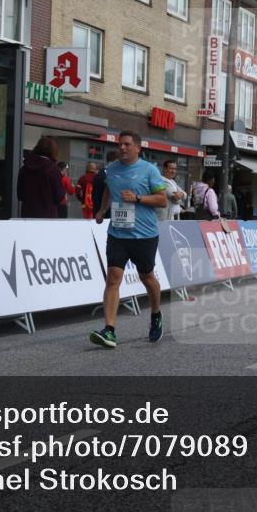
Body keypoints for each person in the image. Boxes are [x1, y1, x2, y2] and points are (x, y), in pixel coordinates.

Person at [90, 131, 168, 349]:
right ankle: (110, 330)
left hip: (144, 235)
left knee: (147, 278)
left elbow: (162, 200)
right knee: (113, 278)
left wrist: (138, 198)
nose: (122, 148)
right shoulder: (112, 169)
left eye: (126, 144)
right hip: (118, 234)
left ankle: (155, 314)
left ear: (137, 148)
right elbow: (108, 189)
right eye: (119, 144)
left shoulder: (149, 170)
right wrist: (102, 210)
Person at [17, 137, 65, 218]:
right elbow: (59, 196)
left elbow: (20, 195)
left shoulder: (24, 168)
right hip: (47, 218)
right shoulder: (53, 169)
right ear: (54, 151)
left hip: (27, 216)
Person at [92, 151, 120, 221]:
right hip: (103, 216)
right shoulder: (101, 176)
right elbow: (96, 197)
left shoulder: (115, 174)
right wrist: (101, 212)